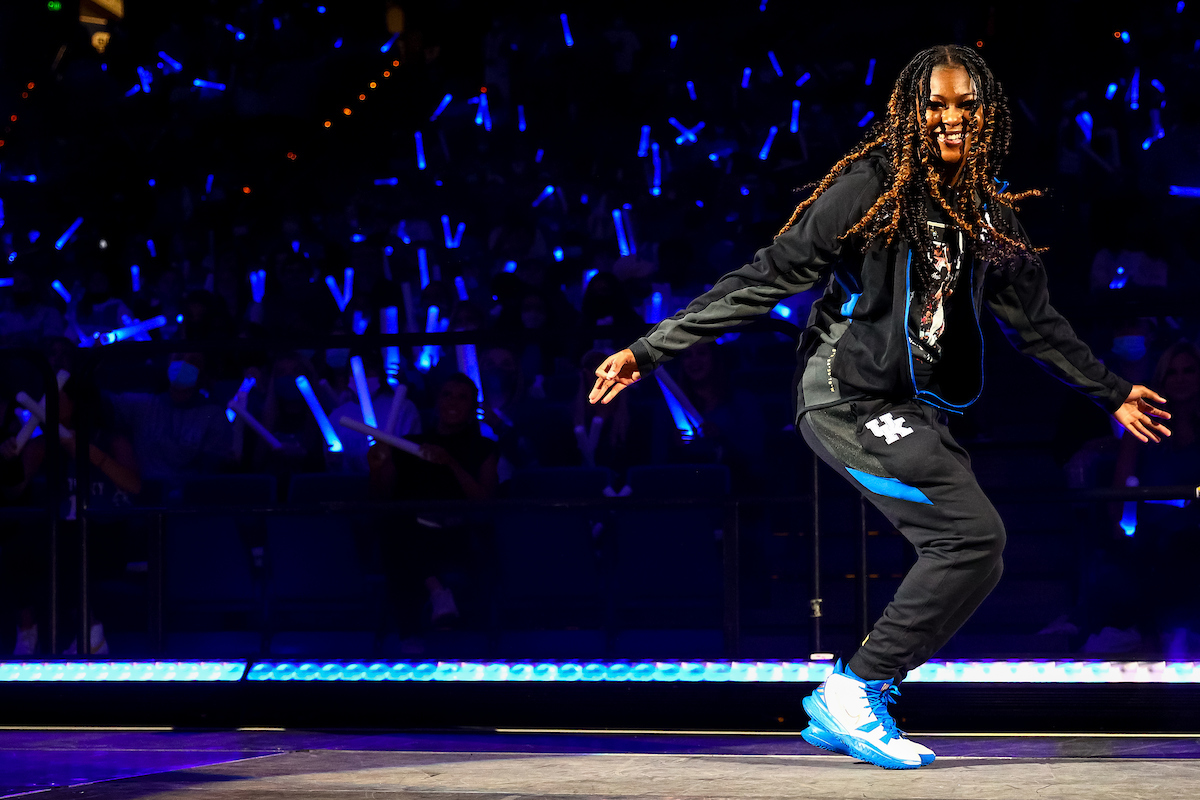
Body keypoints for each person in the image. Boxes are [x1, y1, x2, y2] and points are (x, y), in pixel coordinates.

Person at [587, 45, 1171, 769]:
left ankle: (863, 689)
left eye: (965, 106)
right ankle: (854, 689)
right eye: (936, 105)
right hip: (843, 392)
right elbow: (765, 277)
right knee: (970, 531)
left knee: (978, 552)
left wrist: (1110, 391)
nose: (951, 119)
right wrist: (651, 349)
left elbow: (1037, 324)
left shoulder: (990, 213)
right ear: (911, 112)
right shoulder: (871, 186)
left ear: (985, 115)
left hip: (912, 404)